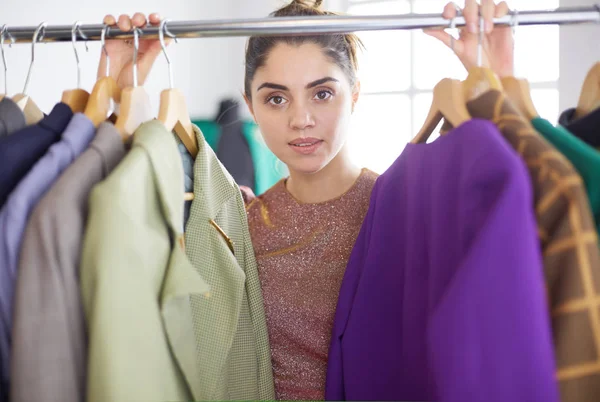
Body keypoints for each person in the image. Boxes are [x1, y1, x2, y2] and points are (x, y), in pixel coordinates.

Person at [100, 0, 514, 400]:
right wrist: (118, 90)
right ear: (251, 106)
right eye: (276, 98)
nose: (300, 119)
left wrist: (498, 79)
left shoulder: (405, 213)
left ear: (354, 94)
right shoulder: (234, 225)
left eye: (321, 94)